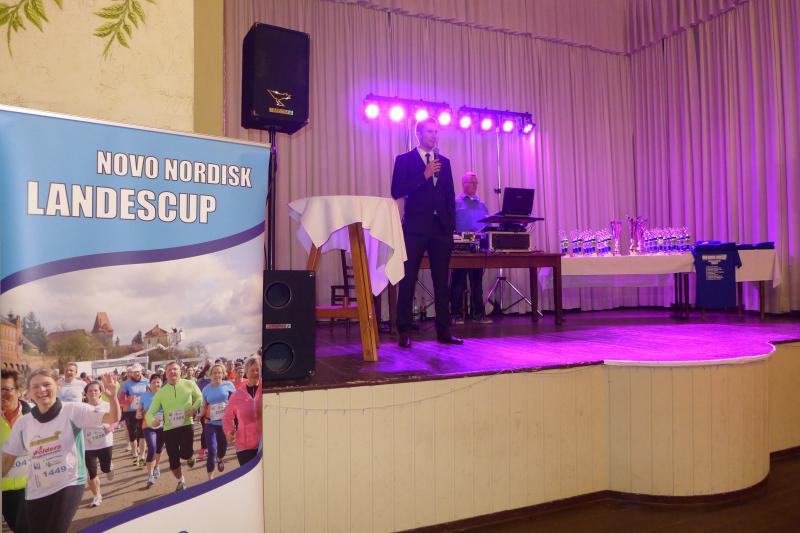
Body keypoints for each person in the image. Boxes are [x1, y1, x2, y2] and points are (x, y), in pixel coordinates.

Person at [1, 369, 120, 533]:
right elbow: (7, 460)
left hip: (69, 482)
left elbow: (112, 417)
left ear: (58, 385)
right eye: (35, 386)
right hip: (37, 488)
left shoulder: (73, 410)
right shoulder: (24, 423)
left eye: (46, 384)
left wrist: (113, 398)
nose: (41, 390)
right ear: (29, 392)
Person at [391, 117, 463, 348]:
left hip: (440, 229)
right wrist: (424, 175)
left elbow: (449, 196)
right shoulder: (404, 160)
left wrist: (450, 227)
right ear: (419, 134)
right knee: (408, 278)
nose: (434, 136)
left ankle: (444, 330)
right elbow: (396, 191)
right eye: (430, 132)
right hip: (415, 228)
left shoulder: (445, 162)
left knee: (442, 281)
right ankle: (403, 330)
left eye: (436, 131)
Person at [144, 361, 202, 492]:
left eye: (175, 369)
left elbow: (199, 397)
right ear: (166, 374)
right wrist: (152, 421)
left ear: (180, 371)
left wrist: (194, 408)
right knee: (173, 460)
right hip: (169, 429)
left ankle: (189, 456)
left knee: (185, 453)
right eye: (169, 370)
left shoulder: (189, 384)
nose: (172, 372)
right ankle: (181, 481)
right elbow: (150, 413)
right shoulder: (161, 392)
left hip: (186, 424)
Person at [450, 171, 493, 325]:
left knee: (477, 283)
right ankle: (456, 315)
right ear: (463, 184)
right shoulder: (455, 202)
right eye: (471, 182)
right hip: (460, 246)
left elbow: (488, 225)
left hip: (478, 245)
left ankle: (478, 315)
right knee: (458, 282)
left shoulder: (482, 204)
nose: (474, 185)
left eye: (476, 183)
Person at [1, 369, 30, 532]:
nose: (1, 394)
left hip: (32, 487)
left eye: (6, 389)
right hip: (5, 492)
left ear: (18, 392)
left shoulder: (34, 415)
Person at [83, 380, 118, 507]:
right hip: (88, 446)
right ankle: (97, 496)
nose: (93, 393)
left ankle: (109, 467)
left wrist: (111, 427)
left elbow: (116, 419)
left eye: (95, 390)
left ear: (100, 393)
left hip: (105, 443)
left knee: (105, 468)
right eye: (90, 391)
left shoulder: (107, 405)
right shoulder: (82, 408)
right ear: (86, 394)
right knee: (91, 473)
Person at [223, 356, 262, 466]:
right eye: (252, 370)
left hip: (265, 443)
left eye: (257, 370)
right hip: (245, 446)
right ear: (246, 372)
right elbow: (227, 416)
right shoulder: (237, 395)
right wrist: (229, 431)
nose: (255, 373)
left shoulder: (266, 389)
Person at [201, 364, 236, 479]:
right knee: (212, 450)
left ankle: (220, 458)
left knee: (222, 449)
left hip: (224, 424)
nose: (217, 375)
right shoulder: (206, 389)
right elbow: (203, 405)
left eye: (219, 373)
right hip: (210, 423)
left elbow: (235, 400)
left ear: (223, 374)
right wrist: (200, 414)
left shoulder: (229, 385)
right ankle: (210, 479)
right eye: (214, 373)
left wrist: (232, 408)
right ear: (210, 375)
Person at [118, 363, 148, 466]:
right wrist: (128, 400)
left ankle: (142, 456)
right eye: (134, 372)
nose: (136, 374)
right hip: (130, 412)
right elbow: (121, 400)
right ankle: (135, 454)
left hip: (143, 411)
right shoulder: (126, 384)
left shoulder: (146, 381)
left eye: (138, 372)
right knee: (133, 434)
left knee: (142, 433)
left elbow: (151, 394)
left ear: (141, 372)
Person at [139, 373, 165, 488]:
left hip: (162, 426)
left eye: (158, 382)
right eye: (153, 382)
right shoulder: (145, 396)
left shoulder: (165, 394)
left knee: (159, 449)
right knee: (152, 448)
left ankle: (156, 466)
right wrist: (138, 413)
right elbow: (140, 409)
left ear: (161, 383)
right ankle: (150, 475)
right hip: (148, 426)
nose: (156, 384)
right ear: (149, 384)